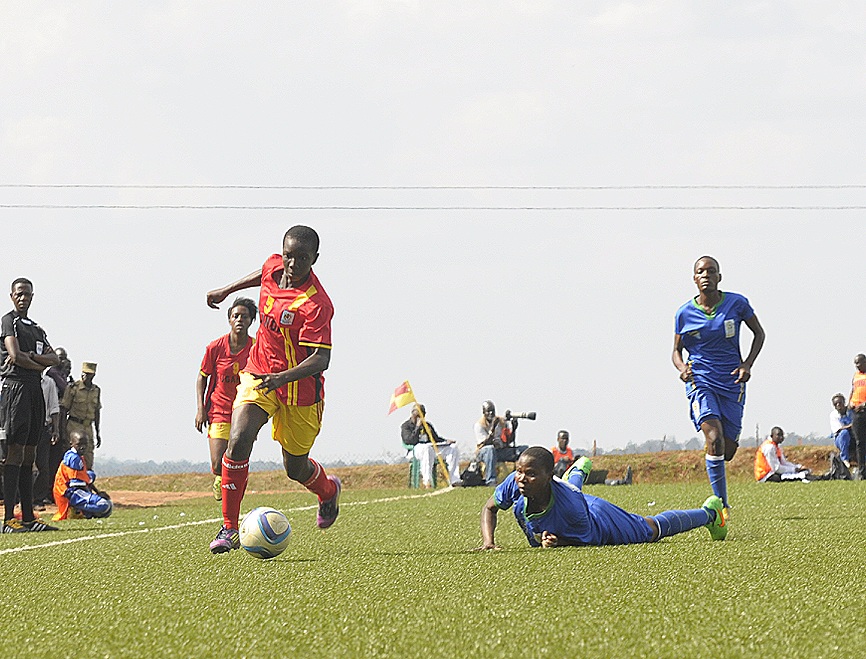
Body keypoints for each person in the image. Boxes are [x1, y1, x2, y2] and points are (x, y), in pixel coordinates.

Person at [205, 225, 340, 554]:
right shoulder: (273, 266)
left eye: (302, 258)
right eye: (289, 256)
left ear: (315, 259)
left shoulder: (316, 304)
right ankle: (229, 528)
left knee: (295, 468)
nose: (293, 264)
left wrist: (282, 378)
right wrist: (226, 290)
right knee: (238, 439)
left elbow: (321, 359)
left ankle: (327, 490)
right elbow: (262, 274)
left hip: (300, 392)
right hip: (259, 372)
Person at [477, 447, 727, 550]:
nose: (522, 478)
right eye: (520, 472)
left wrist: (560, 542)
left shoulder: (572, 508)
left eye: (531, 474)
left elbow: (591, 540)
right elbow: (490, 508)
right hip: (567, 495)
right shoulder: (515, 482)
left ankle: (710, 513)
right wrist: (489, 542)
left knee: (650, 530)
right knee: (570, 491)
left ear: (548, 476)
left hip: (598, 518)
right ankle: (576, 473)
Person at [672, 256, 765, 513]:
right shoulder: (684, 313)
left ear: (719, 277)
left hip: (732, 380)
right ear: (694, 278)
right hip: (700, 380)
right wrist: (682, 368)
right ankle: (721, 507)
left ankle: (714, 452)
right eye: (701, 272)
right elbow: (676, 351)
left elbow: (759, 333)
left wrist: (747, 364)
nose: (706, 275)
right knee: (714, 438)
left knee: (727, 449)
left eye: (711, 271)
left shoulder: (737, 303)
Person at [1, 278, 60, 532]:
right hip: (16, 389)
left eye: (27, 294)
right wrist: (36, 363)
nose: (23, 298)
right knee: (14, 452)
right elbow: (14, 356)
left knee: (29, 454)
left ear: (33, 297)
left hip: (35, 390)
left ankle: (28, 517)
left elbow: (53, 358)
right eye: (19, 294)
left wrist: (32, 358)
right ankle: (8, 519)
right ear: (12, 296)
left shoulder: (36, 329)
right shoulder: (9, 321)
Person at [195, 297, 256, 501]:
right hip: (219, 410)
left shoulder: (256, 347)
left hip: (245, 410)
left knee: (238, 458)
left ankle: (234, 494)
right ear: (229, 319)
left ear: (251, 320)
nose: (239, 320)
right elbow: (202, 377)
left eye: (244, 316)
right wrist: (200, 409)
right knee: (217, 463)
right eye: (235, 316)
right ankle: (221, 478)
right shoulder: (215, 347)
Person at [52, 429, 112, 521]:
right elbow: (76, 485)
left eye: (85, 444)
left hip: (73, 489)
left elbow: (84, 478)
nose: (82, 447)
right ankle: (76, 508)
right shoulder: (73, 458)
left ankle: (84, 512)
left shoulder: (78, 456)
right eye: (79, 444)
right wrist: (92, 495)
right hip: (69, 492)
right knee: (104, 505)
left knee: (91, 475)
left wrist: (97, 492)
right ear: (71, 444)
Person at [400, 404, 461, 487]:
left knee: (453, 448)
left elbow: (436, 438)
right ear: (412, 414)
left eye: (422, 415)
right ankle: (427, 481)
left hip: (431, 449)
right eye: (417, 415)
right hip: (415, 450)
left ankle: (454, 479)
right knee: (426, 448)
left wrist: (446, 441)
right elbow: (409, 440)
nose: (420, 417)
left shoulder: (427, 425)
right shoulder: (406, 426)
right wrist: (417, 427)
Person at [474, 400, 527, 486]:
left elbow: (509, 440)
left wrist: (514, 429)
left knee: (524, 449)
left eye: (493, 411)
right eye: (488, 411)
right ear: (483, 412)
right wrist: (493, 428)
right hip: (485, 453)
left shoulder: (501, 422)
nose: (491, 413)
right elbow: (485, 443)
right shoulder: (479, 425)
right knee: (490, 449)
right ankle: (491, 480)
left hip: (500, 451)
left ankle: (522, 476)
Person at [60, 362, 102, 469]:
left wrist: (98, 432)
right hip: (74, 425)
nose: (86, 376)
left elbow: (97, 412)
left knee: (88, 457)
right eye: (85, 373)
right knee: (72, 457)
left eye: (89, 374)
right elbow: (64, 410)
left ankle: (86, 478)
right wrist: (63, 432)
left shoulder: (96, 390)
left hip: (88, 427)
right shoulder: (73, 388)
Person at [32, 369, 61, 508]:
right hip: (27, 427)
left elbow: (54, 408)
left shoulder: (49, 383)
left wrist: (56, 430)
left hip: (43, 428)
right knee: (24, 463)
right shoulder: (25, 382)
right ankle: (23, 498)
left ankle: (38, 499)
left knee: (42, 464)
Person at [45, 346, 72, 484]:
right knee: (52, 455)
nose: (63, 361)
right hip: (53, 417)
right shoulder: (53, 372)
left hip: (61, 417)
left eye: (64, 358)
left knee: (59, 453)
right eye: (60, 358)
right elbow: (66, 389)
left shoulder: (62, 373)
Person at [847, 354, 866, 479]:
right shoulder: (856, 376)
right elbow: (853, 390)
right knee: (859, 442)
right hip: (856, 413)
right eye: (855, 363)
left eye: (859, 363)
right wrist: (850, 403)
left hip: (864, 409)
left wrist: (864, 404)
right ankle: (862, 471)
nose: (857, 366)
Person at [830, 393, 853, 468]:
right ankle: (844, 458)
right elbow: (840, 428)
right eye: (836, 404)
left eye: (840, 403)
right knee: (844, 433)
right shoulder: (834, 415)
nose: (838, 405)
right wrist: (853, 425)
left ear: (844, 402)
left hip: (853, 435)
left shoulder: (851, 411)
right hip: (840, 438)